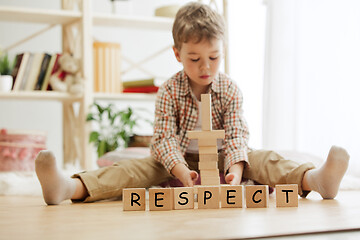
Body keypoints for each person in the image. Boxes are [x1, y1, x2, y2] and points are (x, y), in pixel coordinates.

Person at [35, 2, 350, 205]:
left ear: (222, 51)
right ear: (177, 54)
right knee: (133, 169)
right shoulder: (170, 90)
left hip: (227, 157)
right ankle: (70, 188)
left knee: (266, 159)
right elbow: (163, 139)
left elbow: (238, 132)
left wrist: (236, 169)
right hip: (179, 159)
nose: (205, 68)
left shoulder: (229, 88)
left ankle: (316, 180)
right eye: (194, 59)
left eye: (214, 58)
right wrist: (181, 171)